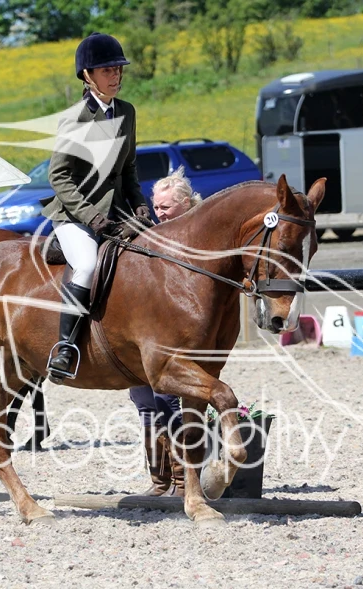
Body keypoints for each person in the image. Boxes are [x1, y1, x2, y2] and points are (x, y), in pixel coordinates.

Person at [42, 32, 151, 381]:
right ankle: (65, 348)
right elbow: (59, 177)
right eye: (107, 71)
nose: (115, 76)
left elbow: (129, 169)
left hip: (117, 213)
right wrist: (92, 217)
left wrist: (140, 206)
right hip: (75, 215)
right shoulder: (75, 118)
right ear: (88, 76)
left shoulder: (127, 112)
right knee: (87, 265)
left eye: (118, 70)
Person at [129, 166, 201, 497]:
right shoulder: (152, 234)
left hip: (179, 334)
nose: (159, 213)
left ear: (185, 203)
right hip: (147, 330)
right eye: (156, 207)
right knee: (143, 399)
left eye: (166, 207)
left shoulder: (198, 234)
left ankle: (184, 481)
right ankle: (160, 480)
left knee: (167, 399)